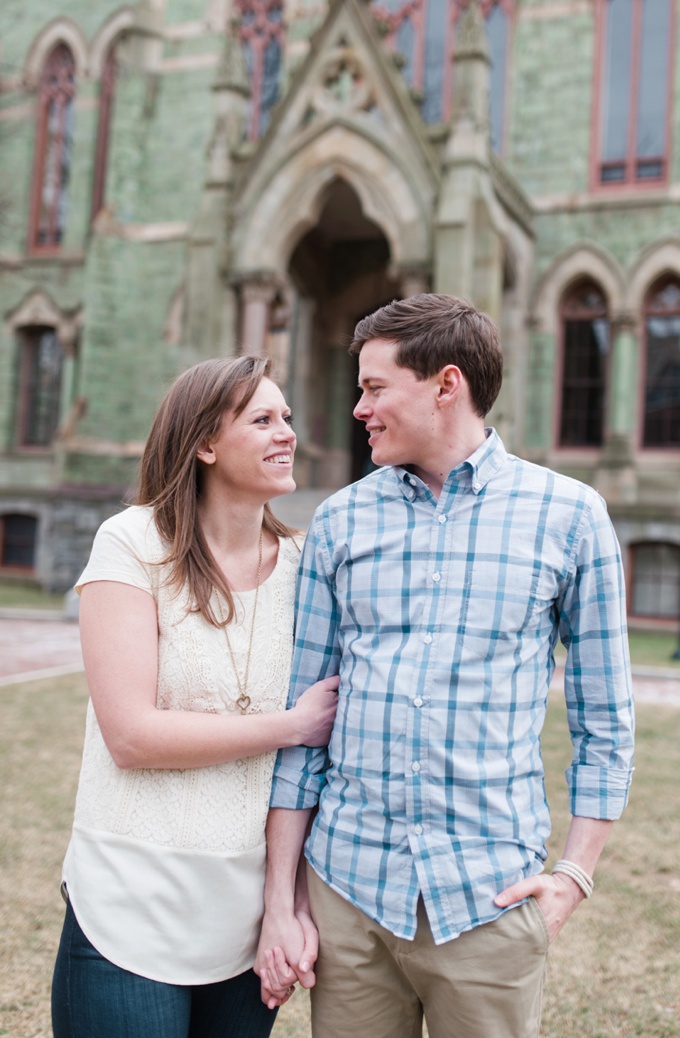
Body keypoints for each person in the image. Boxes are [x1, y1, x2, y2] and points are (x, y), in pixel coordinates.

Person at [256, 294, 634, 1037]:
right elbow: (305, 728)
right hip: (350, 894)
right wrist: (283, 899)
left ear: (445, 385)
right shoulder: (339, 521)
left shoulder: (571, 516)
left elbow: (605, 721)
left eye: (373, 387)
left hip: (489, 899)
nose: (359, 408)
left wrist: (575, 874)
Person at [50, 355, 339, 1038]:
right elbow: (132, 736)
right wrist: (290, 725)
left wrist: (284, 906)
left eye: (288, 418)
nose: (286, 434)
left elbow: (305, 778)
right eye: (263, 419)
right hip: (128, 906)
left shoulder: (309, 569)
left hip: (245, 920)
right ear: (206, 444)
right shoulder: (131, 544)